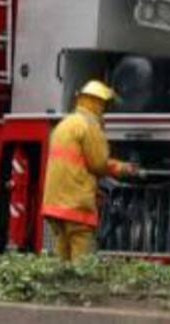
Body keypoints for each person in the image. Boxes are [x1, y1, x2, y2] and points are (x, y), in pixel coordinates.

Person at [41, 80, 138, 263]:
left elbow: (74, 164)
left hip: (55, 204)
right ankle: (80, 290)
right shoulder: (89, 126)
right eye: (105, 105)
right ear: (98, 103)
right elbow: (98, 163)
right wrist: (122, 168)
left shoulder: (65, 124)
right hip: (76, 205)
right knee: (82, 263)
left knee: (63, 259)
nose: (106, 111)